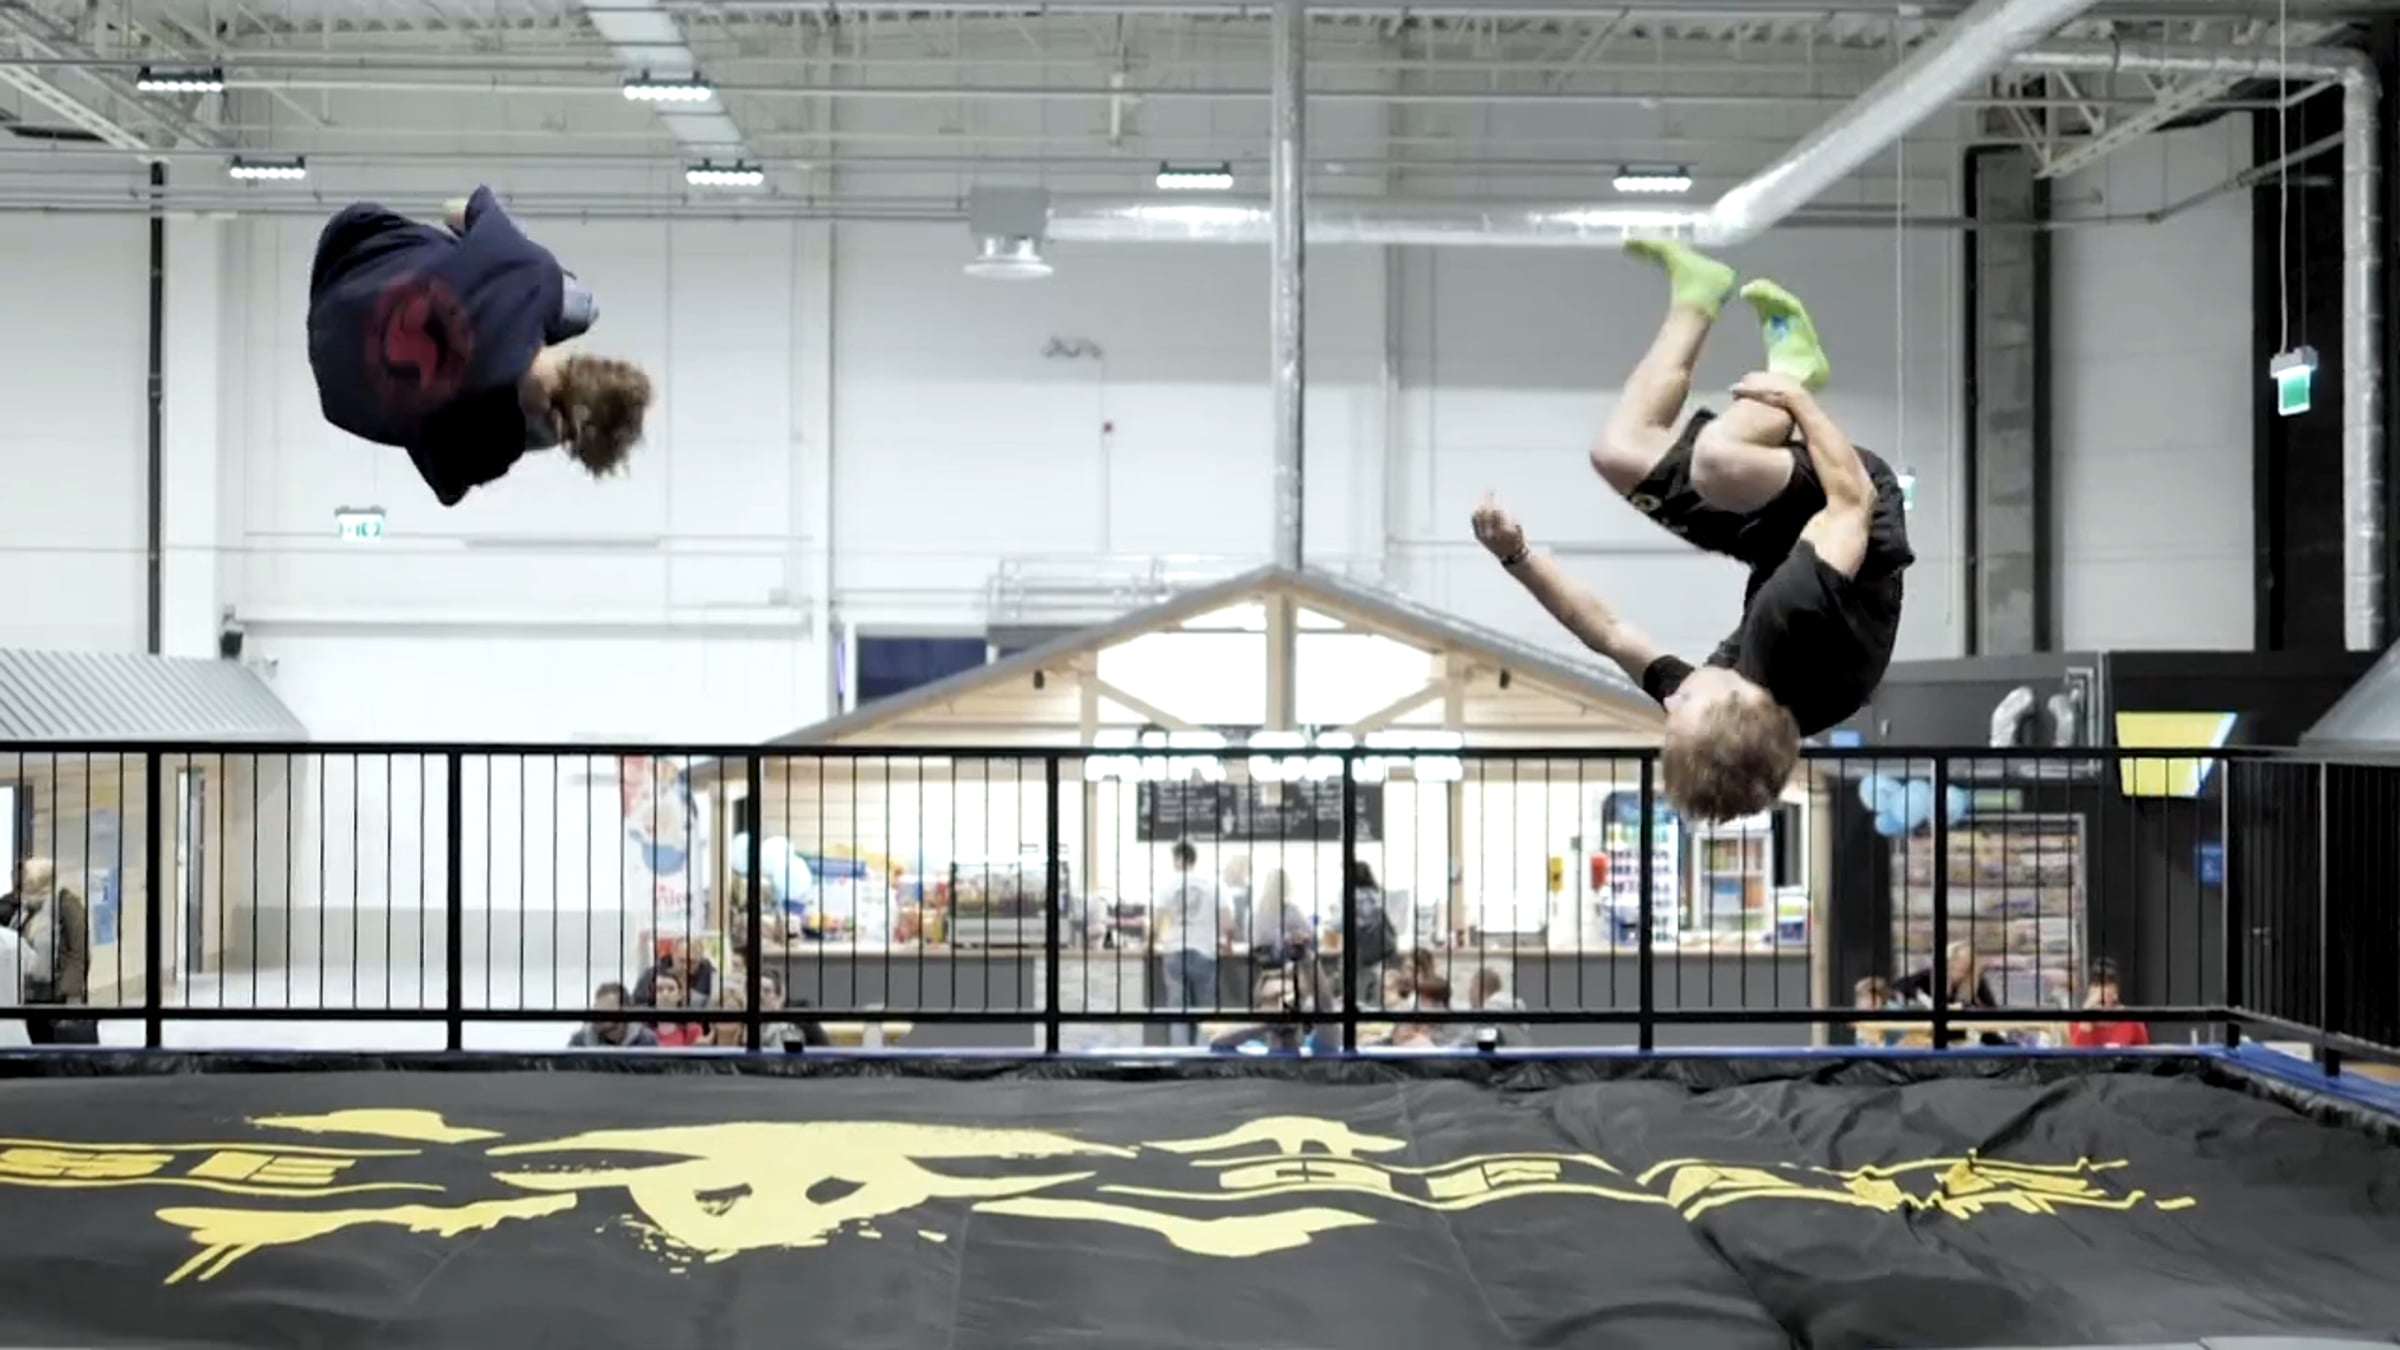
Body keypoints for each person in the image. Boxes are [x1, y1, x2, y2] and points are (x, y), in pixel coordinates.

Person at [1472, 240, 1914, 822]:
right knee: (1715, 461)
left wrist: (1516, 556)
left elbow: (1609, 633)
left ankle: (1696, 294)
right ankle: (1796, 366)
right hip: (1851, 503)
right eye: (1682, 709)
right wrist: (1799, 402)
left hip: (1786, 546)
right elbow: (1854, 504)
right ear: (1736, 703)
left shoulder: (1723, 703)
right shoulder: (1792, 624)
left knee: (1618, 452)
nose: (1671, 700)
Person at [306, 185, 653, 507]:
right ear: (555, 429)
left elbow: (454, 210)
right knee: (439, 437)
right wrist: (524, 439)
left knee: (581, 307)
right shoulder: (495, 442)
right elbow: (447, 486)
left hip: (343, 264)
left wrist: (496, 251)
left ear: (586, 362)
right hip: (337, 387)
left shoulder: (533, 273)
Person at [567, 981, 658, 1048]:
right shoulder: (581, 1040)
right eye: (596, 1011)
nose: (598, 1017)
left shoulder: (645, 1041)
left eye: (605, 1012)